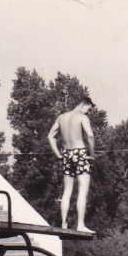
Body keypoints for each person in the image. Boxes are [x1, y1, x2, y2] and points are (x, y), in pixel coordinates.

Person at [47, 97, 96, 233]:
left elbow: (50, 136)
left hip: (67, 153)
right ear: (83, 105)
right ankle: (80, 224)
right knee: (82, 190)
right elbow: (90, 136)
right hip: (80, 152)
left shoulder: (61, 117)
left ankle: (64, 223)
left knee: (67, 190)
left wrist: (57, 153)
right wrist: (91, 154)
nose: (88, 112)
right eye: (88, 109)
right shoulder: (81, 117)